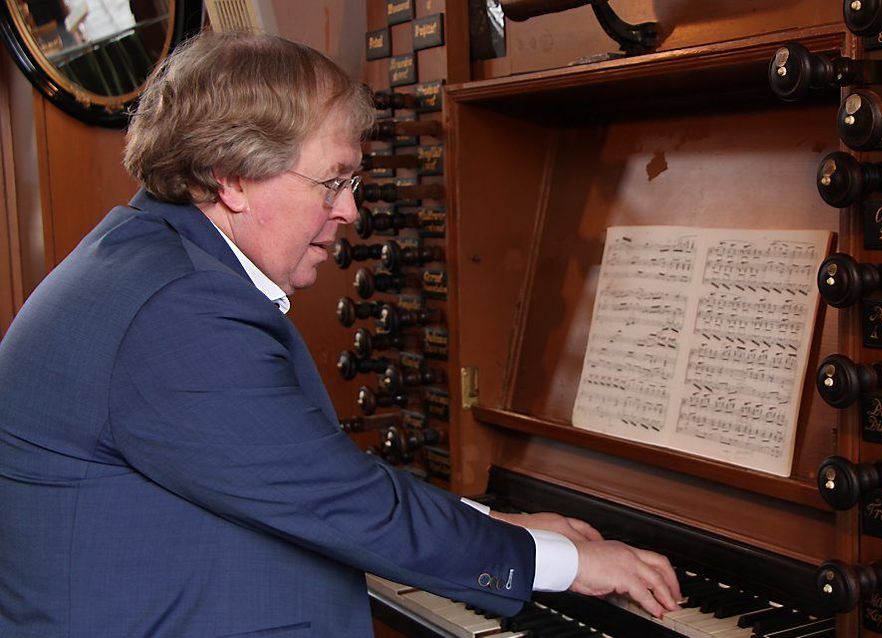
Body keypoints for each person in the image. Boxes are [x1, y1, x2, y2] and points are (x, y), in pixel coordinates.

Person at [0, 32, 678, 636]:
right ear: (234, 179)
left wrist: (494, 523)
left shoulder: (152, 258)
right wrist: (560, 562)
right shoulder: (177, 309)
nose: (350, 210)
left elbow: (303, 471)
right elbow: (341, 504)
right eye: (332, 183)